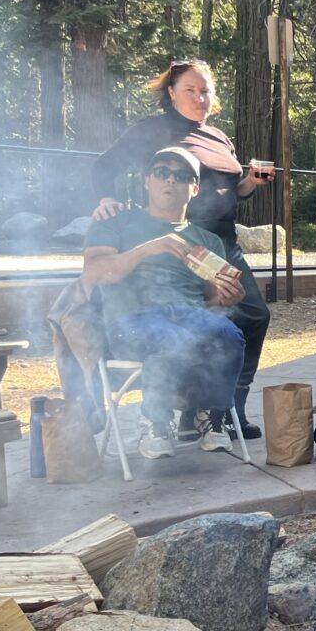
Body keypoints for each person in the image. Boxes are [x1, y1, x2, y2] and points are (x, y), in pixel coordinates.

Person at [88, 59, 272, 439]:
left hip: (222, 241)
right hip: (183, 238)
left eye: (205, 91)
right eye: (190, 89)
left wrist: (249, 183)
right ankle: (193, 409)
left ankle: (226, 406)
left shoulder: (219, 137)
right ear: (171, 92)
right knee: (189, 320)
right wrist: (105, 199)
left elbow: (229, 190)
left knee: (252, 315)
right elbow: (105, 166)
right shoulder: (153, 130)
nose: (199, 97)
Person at [82, 147, 247, 458]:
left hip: (190, 315)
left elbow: (210, 298)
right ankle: (155, 421)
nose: (171, 180)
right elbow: (93, 274)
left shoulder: (208, 241)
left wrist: (227, 296)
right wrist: (148, 249)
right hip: (131, 321)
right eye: (162, 172)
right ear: (147, 181)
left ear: (194, 189)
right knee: (171, 339)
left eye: (182, 176)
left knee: (229, 336)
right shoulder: (116, 221)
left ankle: (210, 416)